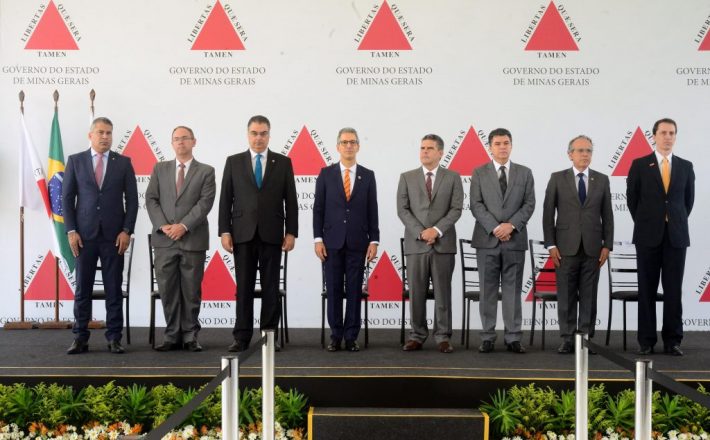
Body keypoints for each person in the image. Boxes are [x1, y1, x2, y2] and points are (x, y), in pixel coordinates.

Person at [218, 115, 298, 352]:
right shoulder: (234, 162)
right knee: (243, 287)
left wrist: (291, 232)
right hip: (242, 235)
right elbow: (225, 200)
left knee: (271, 287)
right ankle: (241, 337)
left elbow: (291, 201)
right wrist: (224, 231)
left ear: (269, 135)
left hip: (273, 235)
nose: (259, 138)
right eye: (254, 133)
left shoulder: (283, 162)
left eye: (263, 133)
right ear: (248, 134)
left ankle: (269, 337)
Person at [62, 117, 138, 354]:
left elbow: (133, 201)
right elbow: (66, 199)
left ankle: (114, 337)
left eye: (109, 133)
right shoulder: (75, 161)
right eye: (101, 133)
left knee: (113, 289)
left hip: (114, 237)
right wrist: (71, 230)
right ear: (90, 135)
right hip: (83, 237)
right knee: (82, 289)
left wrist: (127, 230)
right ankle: (80, 337)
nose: (106, 137)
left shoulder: (123, 163)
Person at [626, 118, 694, 356]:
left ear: (676, 136)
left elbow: (687, 202)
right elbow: (632, 201)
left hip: (676, 237)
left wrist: (672, 221)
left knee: (674, 290)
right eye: (663, 132)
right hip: (647, 237)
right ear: (653, 136)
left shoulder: (686, 166)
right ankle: (646, 341)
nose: (668, 137)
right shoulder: (639, 164)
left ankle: (673, 340)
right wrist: (649, 222)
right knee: (647, 289)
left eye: (672, 133)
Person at [146, 126, 216, 352]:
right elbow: (151, 199)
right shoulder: (160, 169)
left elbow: (204, 204)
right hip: (164, 240)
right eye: (176, 139)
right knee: (167, 289)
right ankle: (171, 335)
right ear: (172, 143)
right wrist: (164, 226)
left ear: (194, 141)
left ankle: (190, 335)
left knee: (191, 290)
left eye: (185, 138)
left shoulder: (206, 171)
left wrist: (183, 226)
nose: (180, 142)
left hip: (192, 239)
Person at [542, 135, 613, 354]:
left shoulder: (601, 180)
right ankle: (567, 338)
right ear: (570, 154)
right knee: (566, 295)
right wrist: (551, 245)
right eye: (581, 150)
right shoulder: (557, 178)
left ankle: (585, 338)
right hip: (564, 248)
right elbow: (547, 214)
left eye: (589, 151)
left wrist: (607, 245)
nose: (585, 154)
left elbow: (607, 215)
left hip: (593, 248)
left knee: (589, 296)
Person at [313, 127, 379, 352]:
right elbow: (318, 209)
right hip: (331, 243)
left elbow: (373, 210)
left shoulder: (368, 175)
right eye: (344, 142)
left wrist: (374, 240)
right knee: (333, 290)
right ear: (337, 147)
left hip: (358, 242)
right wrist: (318, 239)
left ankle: (351, 336)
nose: (348, 146)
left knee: (353, 291)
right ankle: (335, 335)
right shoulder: (325, 174)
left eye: (352, 142)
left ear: (358, 146)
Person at [470, 128, 535, 354]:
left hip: (515, 240)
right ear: (490, 147)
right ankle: (487, 336)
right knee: (487, 291)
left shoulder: (525, 173)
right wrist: (496, 228)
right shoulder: (478, 173)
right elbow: (476, 205)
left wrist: (511, 225)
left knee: (513, 291)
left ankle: (513, 337)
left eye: (506, 142)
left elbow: (529, 204)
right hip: (487, 239)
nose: (502, 147)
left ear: (511, 145)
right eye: (497, 143)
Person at [397, 134, 463, 353]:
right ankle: (417, 335)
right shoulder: (406, 177)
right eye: (422, 147)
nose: (424, 151)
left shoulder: (453, 177)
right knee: (416, 292)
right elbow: (402, 209)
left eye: (429, 148)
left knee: (443, 292)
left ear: (440, 152)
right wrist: (421, 232)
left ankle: (443, 336)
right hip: (416, 244)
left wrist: (436, 230)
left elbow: (456, 209)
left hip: (443, 244)